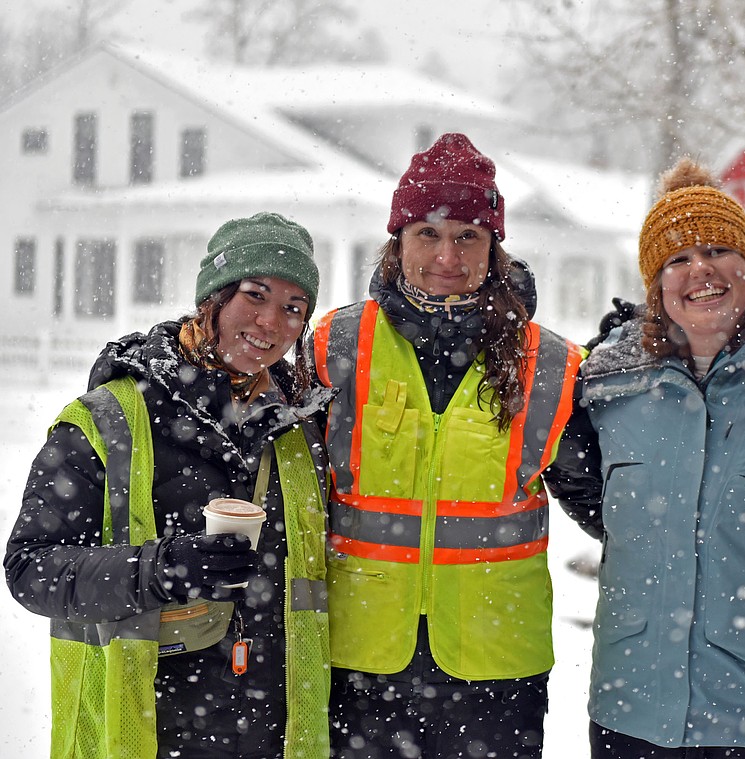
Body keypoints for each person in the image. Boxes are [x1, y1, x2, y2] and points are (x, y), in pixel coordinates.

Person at [314, 132, 600, 759]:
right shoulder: (334, 346)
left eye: (468, 235)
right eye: (428, 233)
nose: (448, 254)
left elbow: (614, 500)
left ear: (494, 248)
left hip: (495, 672)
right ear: (398, 241)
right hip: (360, 659)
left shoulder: (550, 365)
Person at [4, 212, 333, 758]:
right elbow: (30, 569)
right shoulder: (108, 421)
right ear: (214, 298)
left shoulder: (299, 430)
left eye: (293, 308)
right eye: (255, 295)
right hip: (142, 729)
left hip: (273, 734)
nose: (271, 323)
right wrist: (157, 569)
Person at [568, 157, 745, 758]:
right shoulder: (609, 380)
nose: (701, 270)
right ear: (655, 287)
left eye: (718, 250)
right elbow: (580, 483)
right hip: (632, 709)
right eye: (677, 259)